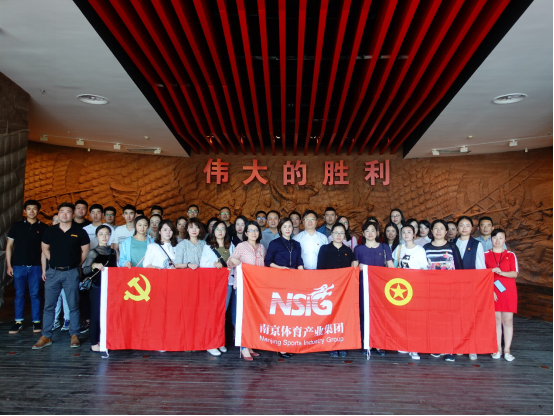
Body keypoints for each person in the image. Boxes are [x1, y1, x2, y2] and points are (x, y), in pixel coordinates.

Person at [32, 202, 90, 350]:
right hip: (53, 272)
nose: (65, 214)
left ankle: (74, 334)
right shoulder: (50, 231)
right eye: (62, 211)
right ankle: (46, 336)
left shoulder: (80, 232)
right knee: (49, 305)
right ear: (58, 214)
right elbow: (44, 248)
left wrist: (76, 264)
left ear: (73, 214)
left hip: (71, 272)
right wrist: (53, 261)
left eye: (68, 212)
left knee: (73, 305)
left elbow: (85, 250)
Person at [6, 200, 48, 334]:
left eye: (34, 208)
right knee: (19, 294)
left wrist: (43, 269)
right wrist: (9, 265)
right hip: (18, 266)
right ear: (24, 211)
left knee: (36, 294)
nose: (31, 211)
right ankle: (18, 322)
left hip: (36, 266)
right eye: (29, 209)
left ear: (38, 211)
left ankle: (36, 321)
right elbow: (9, 246)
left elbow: (45, 250)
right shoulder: (16, 226)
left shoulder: (44, 227)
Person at [265, 217, 304, 359]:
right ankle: (280, 346)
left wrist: (302, 274)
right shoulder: (274, 243)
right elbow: (268, 261)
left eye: (289, 226)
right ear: (280, 229)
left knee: (291, 313)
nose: (287, 229)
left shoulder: (297, 244)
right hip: (279, 280)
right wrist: (280, 268)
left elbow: (299, 261)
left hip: (294, 281)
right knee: (280, 313)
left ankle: (289, 342)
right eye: (284, 226)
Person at [424, 219, 463, 362]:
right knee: (434, 319)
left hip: (449, 289)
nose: (438, 231)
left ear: (446, 231)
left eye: (441, 228)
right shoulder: (426, 247)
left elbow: (459, 268)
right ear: (431, 231)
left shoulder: (452, 247)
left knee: (449, 320)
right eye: (436, 228)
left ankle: (449, 349)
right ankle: (436, 346)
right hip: (431, 290)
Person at [353, 219, 393, 357]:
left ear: (377, 233)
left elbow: (391, 267)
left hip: (381, 287)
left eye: (373, 230)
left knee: (380, 314)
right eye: (367, 231)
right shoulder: (358, 249)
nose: (370, 233)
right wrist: (359, 267)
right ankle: (366, 342)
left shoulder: (384, 247)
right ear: (363, 233)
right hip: (364, 286)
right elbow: (354, 267)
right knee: (364, 314)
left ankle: (379, 343)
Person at [317, 223, 356, 358]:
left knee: (343, 317)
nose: (339, 235)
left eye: (341, 233)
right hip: (329, 289)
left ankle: (342, 344)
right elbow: (320, 269)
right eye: (336, 233)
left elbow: (352, 269)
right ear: (332, 234)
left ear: (344, 235)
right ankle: (331, 344)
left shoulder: (348, 251)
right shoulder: (324, 249)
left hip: (344, 290)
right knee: (330, 316)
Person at [228, 221, 266, 361]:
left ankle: (249, 345)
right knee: (243, 316)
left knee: (253, 317)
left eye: (256, 230)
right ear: (245, 233)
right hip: (243, 286)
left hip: (257, 288)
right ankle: (243, 347)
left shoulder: (261, 247)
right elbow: (230, 262)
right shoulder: (241, 246)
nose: (253, 233)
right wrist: (234, 260)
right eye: (250, 230)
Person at [200, 220, 235, 356]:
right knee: (213, 313)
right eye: (217, 229)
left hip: (227, 283)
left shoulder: (230, 245)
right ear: (213, 231)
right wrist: (214, 263)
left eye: (222, 229)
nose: (220, 231)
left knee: (222, 314)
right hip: (213, 284)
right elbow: (203, 263)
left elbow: (234, 263)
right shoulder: (208, 247)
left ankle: (219, 342)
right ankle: (211, 344)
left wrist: (232, 265)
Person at [392, 224, 427, 360]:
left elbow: (424, 269)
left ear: (414, 234)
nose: (406, 234)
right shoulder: (399, 248)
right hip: (401, 288)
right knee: (402, 316)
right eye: (404, 232)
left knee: (414, 318)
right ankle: (404, 343)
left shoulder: (420, 250)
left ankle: (414, 347)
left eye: (409, 232)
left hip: (416, 287)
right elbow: (394, 267)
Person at [454, 216, 486, 361]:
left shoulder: (476, 244)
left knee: (471, 317)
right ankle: (460, 345)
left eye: (467, 225)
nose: (464, 228)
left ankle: (472, 347)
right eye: (461, 225)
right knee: (457, 317)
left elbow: (480, 267)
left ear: (472, 228)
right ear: (457, 228)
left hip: (471, 286)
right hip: (455, 287)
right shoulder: (452, 243)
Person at [484, 229, 518, 362]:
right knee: (496, 320)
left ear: (505, 240)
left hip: (508, 291)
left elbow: (515, 273)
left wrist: (501, 273)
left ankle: (507, 350)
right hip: (492, 290)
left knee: (508, 321)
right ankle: (497, 349)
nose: (497, 241)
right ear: (491, 239)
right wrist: (490, 290)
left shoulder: (510, 254)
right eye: (495, 238)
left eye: (501, 238)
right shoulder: (485, 254)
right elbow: (482, 275)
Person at [82, 225, 117, 353]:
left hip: (110, 287)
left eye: (107, 233)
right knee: (96, 315)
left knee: (108, 315)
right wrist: (94, 265)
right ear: (96, 236)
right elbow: (85, 270)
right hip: (96, 287)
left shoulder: (113, 252)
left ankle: (104, 340)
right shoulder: (93, 252)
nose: (104, 236)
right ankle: (93, 343)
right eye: (101, 234)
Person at [51, 214, 70, 332]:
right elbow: (43, 253)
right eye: (55, 220)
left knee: (66, 296)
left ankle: (67, 319)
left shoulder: (68, 235)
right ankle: (55, 320)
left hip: (66, 270)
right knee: (54, 297)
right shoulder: (49, 234)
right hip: (52, 270)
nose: (58, 222)